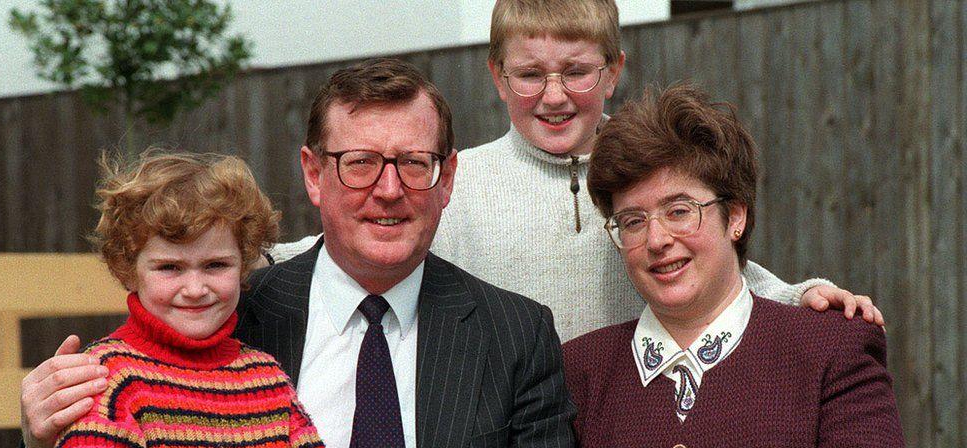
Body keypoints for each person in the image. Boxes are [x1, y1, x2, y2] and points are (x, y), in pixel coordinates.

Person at [11, 59, 590, 448]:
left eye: (414, 164)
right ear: (314, 174)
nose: (388, 190)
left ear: (446, 178)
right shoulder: (227, 317)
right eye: (359, 163)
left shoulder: (513, 335)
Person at [273, 0, 883, 342]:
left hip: (631, 425)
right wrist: (241, 258)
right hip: (512, 440)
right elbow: (344, 243)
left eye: (577, 71)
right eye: (531, 74)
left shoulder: (648, 177)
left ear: (613, 71)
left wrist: (800, 295)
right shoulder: (454, 184)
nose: (555, 95)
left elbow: (716, 267)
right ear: (497, 76)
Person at [563, 84, 908, 448]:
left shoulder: (831, 348)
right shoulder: (578, 371)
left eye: (680, 210)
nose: (657, 239)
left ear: (736, 216)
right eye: (633, 221)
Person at [50, 151, 359, 448]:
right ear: (129, 268)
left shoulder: (266, 380)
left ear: (244, 262)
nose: (195, 289)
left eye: (215, 265)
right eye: (170, 268)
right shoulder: (107, 378)